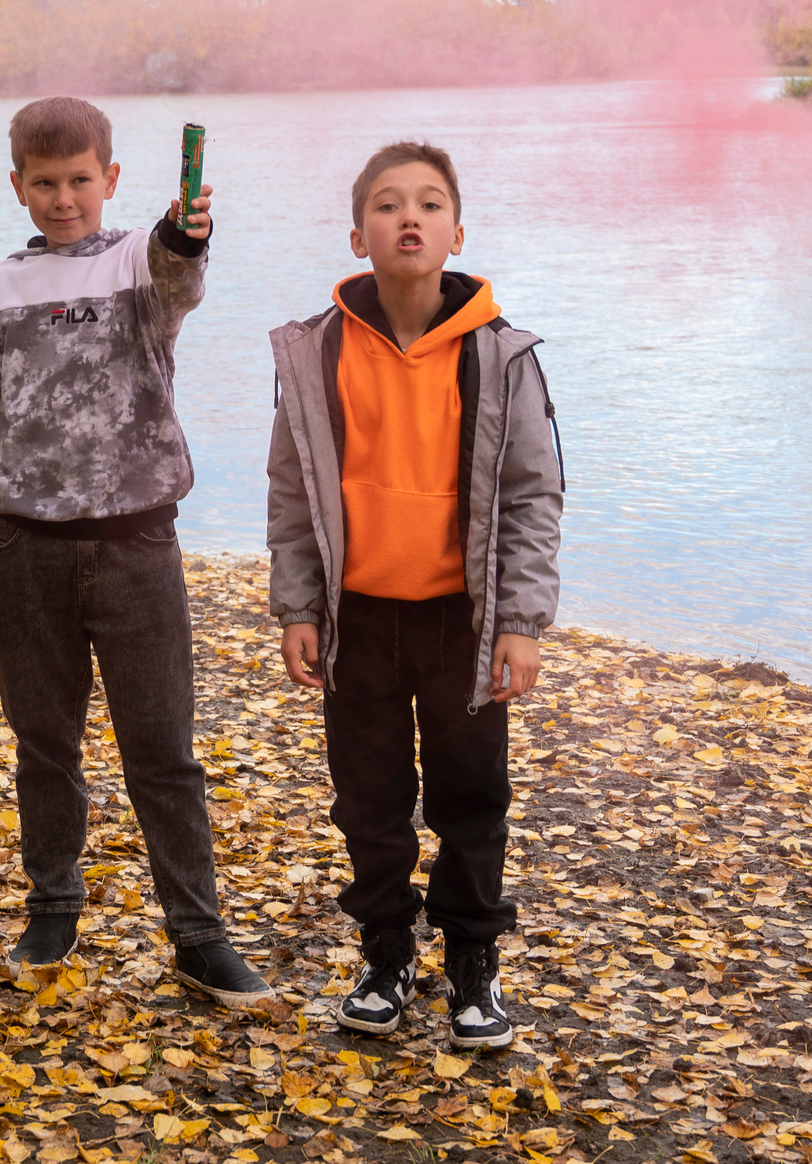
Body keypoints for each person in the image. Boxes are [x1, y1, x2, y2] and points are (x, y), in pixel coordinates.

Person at [0, 97, 272, 1007]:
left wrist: (183, 233)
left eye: (81, 179)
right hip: (24, 551)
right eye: (46, 182)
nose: (64, 197)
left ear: (109, 179)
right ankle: (52, 906)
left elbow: (179, 272)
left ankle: (198, 935)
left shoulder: (137, 265)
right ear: (19, 187)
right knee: (46, 746)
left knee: (163, 752)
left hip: (136, 547)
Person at [266, 140, 562, 1046]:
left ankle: (473, 965)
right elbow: (291, 489)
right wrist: (301, 607)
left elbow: (531, 494)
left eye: (430, 205)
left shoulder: (501, 357)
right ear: (359, 235)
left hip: (459, 625)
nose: (409, 217)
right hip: (360, 620)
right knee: (369, 798)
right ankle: (387, 956)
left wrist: (519, 622)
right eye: (389, 205)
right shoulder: (315, 353)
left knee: (472, 798)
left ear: (456, 232)